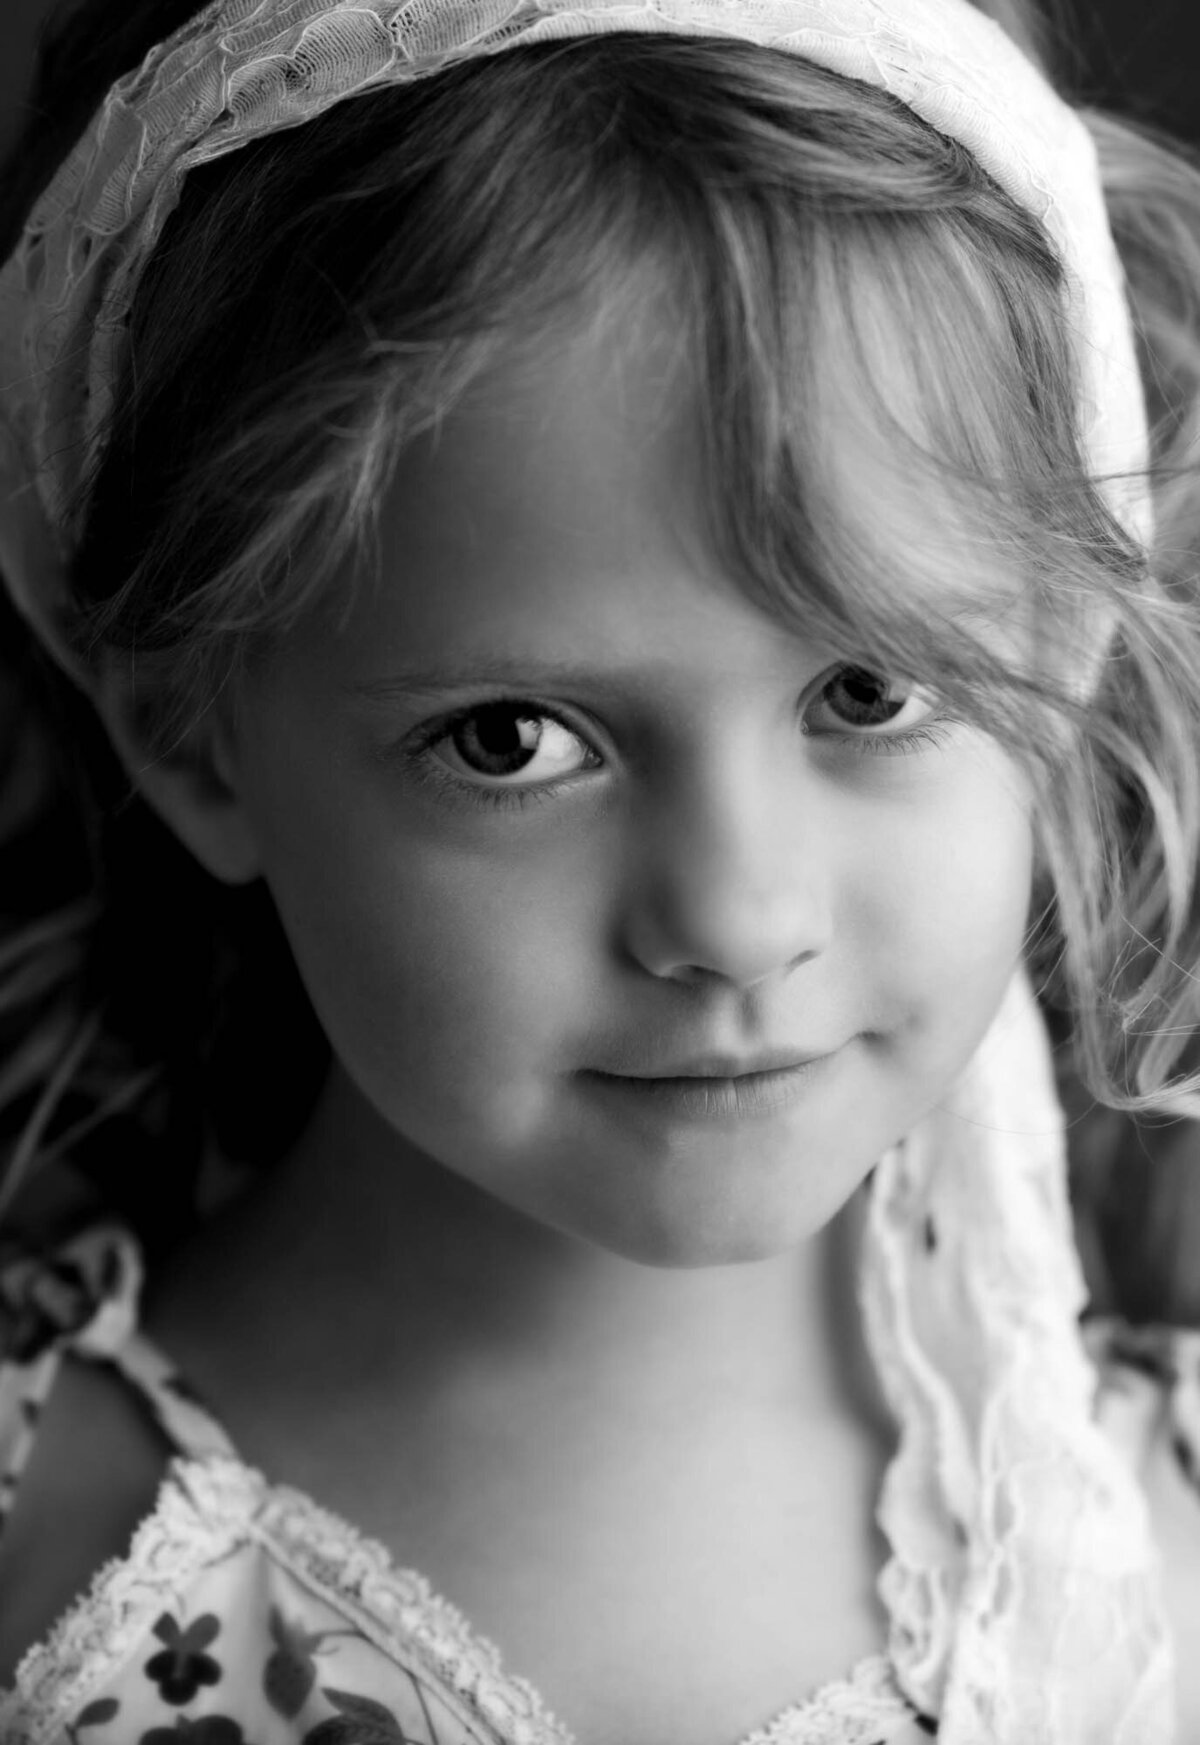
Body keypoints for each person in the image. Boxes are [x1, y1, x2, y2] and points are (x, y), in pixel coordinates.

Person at [1, 0, 1199, 1740]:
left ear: (1071, 640)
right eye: (511, 741)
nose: (734, 917)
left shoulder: (1142, 1492)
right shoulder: (50, 1569)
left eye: (869, 691)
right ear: (193, 739)